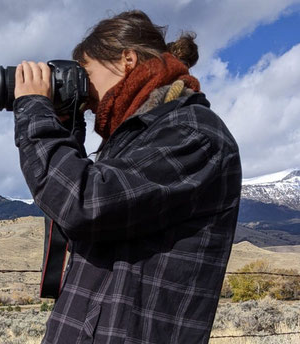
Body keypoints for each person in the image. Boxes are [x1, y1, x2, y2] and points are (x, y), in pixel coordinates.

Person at [13, 9, 242, 344]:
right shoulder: (134, 141)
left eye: (86, 74)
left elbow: (84, 203)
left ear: (127, 60)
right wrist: (65, 127)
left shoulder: (194, 134)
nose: (85, 95)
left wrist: (35, 109)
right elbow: (80, 216)